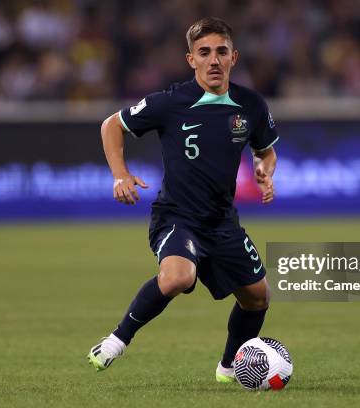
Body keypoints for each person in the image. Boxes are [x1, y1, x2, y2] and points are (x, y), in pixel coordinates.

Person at [87, 17, 278, 383]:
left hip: (222, 222)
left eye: (221, 52)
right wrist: (120, 174)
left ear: (233, 57)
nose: (214, 60)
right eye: (204, 53)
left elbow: (266, 150)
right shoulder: (171, 102)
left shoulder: (250, 105)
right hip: (177, 217)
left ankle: (229, 367)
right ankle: (115, 341)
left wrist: (265, 170)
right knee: (177, 276)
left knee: (258, 298)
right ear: (191, 59)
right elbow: (112, 125)